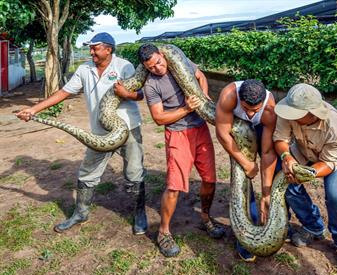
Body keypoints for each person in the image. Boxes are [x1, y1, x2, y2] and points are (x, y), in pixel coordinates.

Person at [16, 32, 148, 235]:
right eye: (91, 48)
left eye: (95, 47)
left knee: (134, 172)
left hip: (128, 128)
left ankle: (140, 214)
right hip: (99, 132)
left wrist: (127, 94)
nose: (91, 51)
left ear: (108, 49)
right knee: (87, 173)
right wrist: (35, 109)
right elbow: (64, 92)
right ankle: (81, 212)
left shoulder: (124, 66)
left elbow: (140, 94)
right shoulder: (84, 69)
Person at [138, 43, 225, 257]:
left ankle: (206, 218)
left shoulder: (180, 62)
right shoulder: (151, 86)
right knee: (175, 186)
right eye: (151, 68)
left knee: (210, 179)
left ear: (162, 55)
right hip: (177, 134)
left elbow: (201, 76)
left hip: (200, 128)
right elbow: (159, 118)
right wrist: (187, 108)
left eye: (158, 63)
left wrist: (202, 98)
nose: (157, 69)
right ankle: (163, 232)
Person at [273, 83, 337, 274]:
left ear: (312, 114)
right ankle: (313, 226)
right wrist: (287, 158)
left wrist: (305, 174)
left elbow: (328, 164)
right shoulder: (289, 111)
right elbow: (280, 139)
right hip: (303, 152)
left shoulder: (334, 126)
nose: (288, 115)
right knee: (286, 183)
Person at [215, 79, 277, 262]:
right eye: (245, 108)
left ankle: (275, 223)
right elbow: (223, 134)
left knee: (275, 175)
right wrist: (246, 163)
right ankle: (245, 235)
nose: (250, 113)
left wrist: (266, 192)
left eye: (254, 110)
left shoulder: (269, 110)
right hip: (237, 130)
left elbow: (267, 152)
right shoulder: (228, 96)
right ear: (239, 98)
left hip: (260, 128)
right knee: (242, 177)